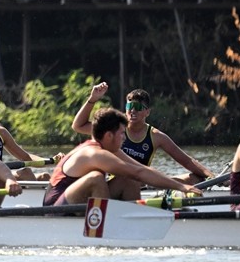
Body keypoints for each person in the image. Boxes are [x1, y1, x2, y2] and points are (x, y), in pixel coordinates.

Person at [72, 82, 213, 199]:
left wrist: (211, 177)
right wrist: (92, 99)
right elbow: (78, 125)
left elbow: (187, 161)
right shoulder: (113, 129)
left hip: (145, 182)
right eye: (129, 106)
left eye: (138, 107)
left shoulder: (156, 136)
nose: (132, 111)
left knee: (195, 178)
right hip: (120, 182)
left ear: (147, 112)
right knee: (133, 179)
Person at [45, 107, 200, 206]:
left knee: (129, 178)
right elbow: (138, 173)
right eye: (121, 134)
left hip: (79, 202)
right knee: (96, 178)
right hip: (56, 208)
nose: (124, 138)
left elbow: (141, 170)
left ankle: (133, 221)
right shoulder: (94, 154)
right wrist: (181, 186)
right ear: (108, 136)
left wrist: (178, 185)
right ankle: (107, 223)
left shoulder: (109, 149)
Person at [0, 90, 62, 186]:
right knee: (26, 173)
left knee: (45, 176)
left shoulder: (1, 133)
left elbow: (26, 157)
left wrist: (52, 161)